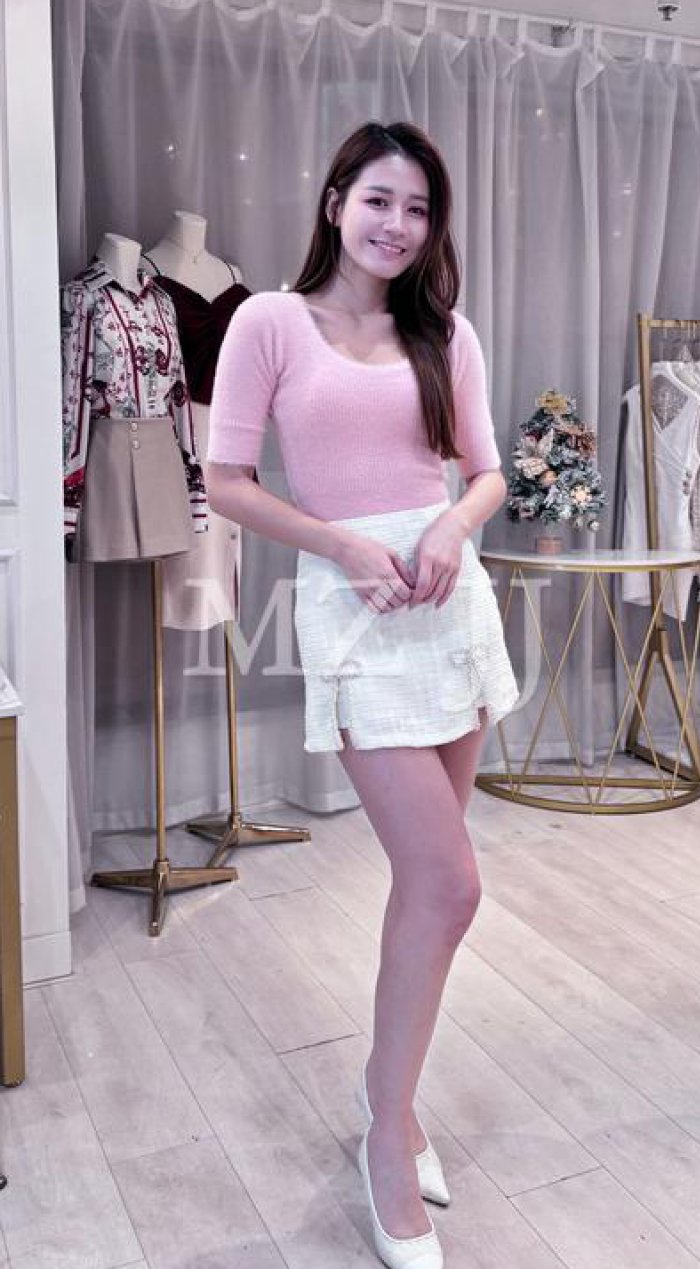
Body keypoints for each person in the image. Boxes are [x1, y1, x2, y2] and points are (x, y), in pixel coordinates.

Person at [206, 121, 518, 1269]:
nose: (397, 225)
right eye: (379, 200)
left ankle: (390, 1098)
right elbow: (226, 483)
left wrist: (449, 525)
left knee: (425, 889)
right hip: (353, 609)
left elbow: (486, 473)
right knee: (450, 883)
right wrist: (341, 545)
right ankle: (387, 1132)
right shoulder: (268, 323)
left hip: (447, 603)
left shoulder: (445, 333)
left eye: (418, 209)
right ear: (335, 200)